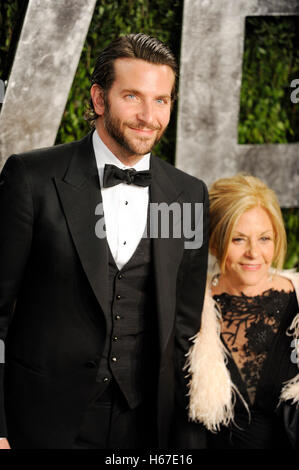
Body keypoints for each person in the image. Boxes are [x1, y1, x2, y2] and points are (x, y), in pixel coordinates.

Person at [0, 33, 209, 449]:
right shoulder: (32, 178)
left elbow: (184, 328)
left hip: (145, 426)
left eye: (162, 100)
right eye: (133, 96)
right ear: (99, 99)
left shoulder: (189, 193)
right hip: (42, 423)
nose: (149, 116)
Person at [184, 173, 299, 449]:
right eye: (238, 239)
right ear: (214, 242)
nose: (254, 253)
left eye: (264, 238)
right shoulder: (188, 310)